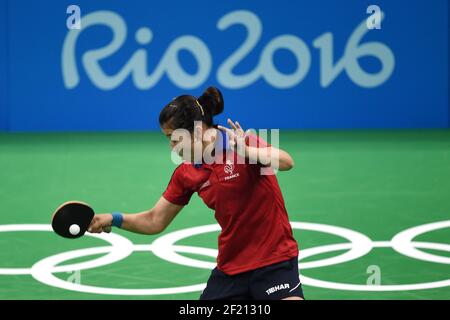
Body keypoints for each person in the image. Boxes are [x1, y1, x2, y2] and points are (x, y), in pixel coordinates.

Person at [88, 87, 304, 300]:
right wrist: (112, 219)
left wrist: (247, 152)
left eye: (175, 138)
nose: (172, 147)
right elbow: (155, 220)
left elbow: (286, 162)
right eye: (168, 139)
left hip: (274, 261)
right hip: (232, 267)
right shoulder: (187, 173)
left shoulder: (238, 143)